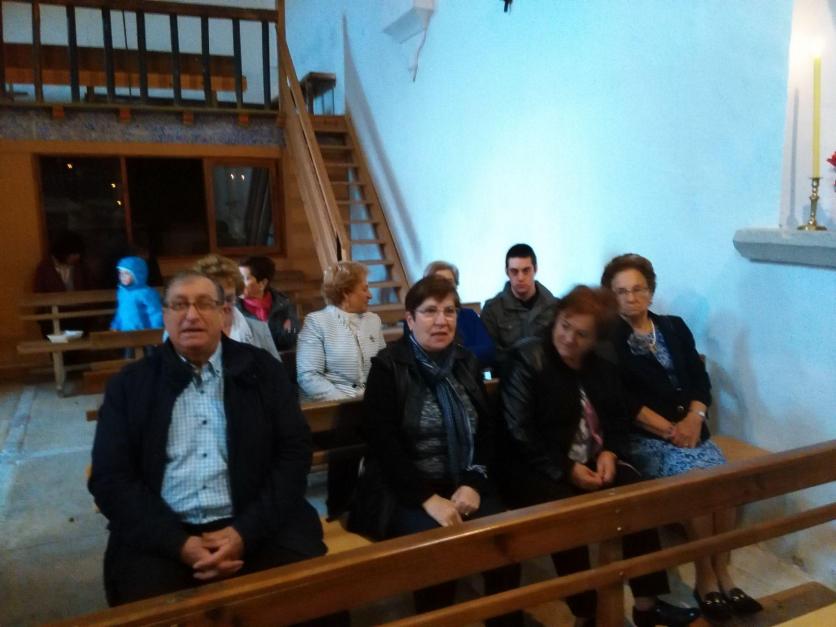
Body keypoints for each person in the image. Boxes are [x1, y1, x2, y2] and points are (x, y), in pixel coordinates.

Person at [89, 270, 325, 606]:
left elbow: (294, 455)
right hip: (162, 533)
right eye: (179, 305)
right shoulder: (130, 384)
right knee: (151, 609)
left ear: (223, 312)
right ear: (165, 314)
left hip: (258, 521)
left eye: (203, 304)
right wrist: (180, 545)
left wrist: (244, 533)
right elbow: (110, 478)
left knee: (312, 599)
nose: (191, 315)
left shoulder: (263, 371)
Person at [499, 286, 700, 627]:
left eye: (581, 334)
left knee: (636, 497)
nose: (568, 338)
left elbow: (617, 418)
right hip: (535, 466)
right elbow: (520, 433)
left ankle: (647, 605)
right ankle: (586, 613)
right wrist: (567, 469)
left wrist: (611, 451)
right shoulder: (528, 359)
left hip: (590, 458)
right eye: (564, 325)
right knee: (568, 516)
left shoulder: (602, 364)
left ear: (595, 339)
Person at [601, 253, 763, 621]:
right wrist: (670, 430)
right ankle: (705, 578)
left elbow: (699, 379)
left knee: (725, 484)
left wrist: (695, 416)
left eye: (638, 289)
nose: (631, 297)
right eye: (622, 291)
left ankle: (723, 572)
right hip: (647, 439)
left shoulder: (673, 327)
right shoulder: (608, 340)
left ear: (650, 291)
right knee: (699, 484)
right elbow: (622, 400)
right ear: (612, 296)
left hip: (691, 430)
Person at [355, 275, 522, 625]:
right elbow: (384, 445)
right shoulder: (388, 367)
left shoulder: (465, 361)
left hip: (463, 481)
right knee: (437, 547)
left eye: (449, 311)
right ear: (410, 319)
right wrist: (427, 499)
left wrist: (474, 482)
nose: (442, 320)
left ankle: (505, 620)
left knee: (504, 539)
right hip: (405, 489)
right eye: (430, 311)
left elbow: (486, 429)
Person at [296, 261, 385, 402]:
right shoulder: (316, 322)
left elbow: (384, 367)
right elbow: (309, 376)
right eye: (364, 289)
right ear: (346, 293)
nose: (370, 295)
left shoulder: (374, 320)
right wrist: (347, 403)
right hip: (333, 406)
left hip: (373, 403)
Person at [481, 243, 558, 369]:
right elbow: (492, 355)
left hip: (548, 374)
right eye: (514, 271)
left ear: (535, 269)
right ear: (507, 272)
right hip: (510, 375)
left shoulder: (555, 307)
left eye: (526, 270)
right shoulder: (492, 310)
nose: (520, 278)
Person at [193, 254, 280, 362]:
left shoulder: (259, 329)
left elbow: (277, 371)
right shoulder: (189, 332)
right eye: (218, 300)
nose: (225, 305)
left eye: (229, 298)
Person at [423, 260, 496, 369]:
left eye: (449, 282)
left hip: (471, 374)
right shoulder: (421, 318)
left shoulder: (469, 316)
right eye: (439, 282)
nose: (445, 287)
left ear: (456, 286)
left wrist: (453, 356)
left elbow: (488, 350)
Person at [237, 255, 299, 351]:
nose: (238, 283)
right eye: (238, 278)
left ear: (263, 283)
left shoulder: (283, 304)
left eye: (245, 279)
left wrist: (289, 331)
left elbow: (290, 341)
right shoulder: (233, 307)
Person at [110, 256, 163, 332]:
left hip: (142, 332)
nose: (122, 276)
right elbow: (121, 312)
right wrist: (115, 325)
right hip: (124, 331)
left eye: (126, 273)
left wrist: (156, 330)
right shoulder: (122, 292)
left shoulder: (146, 293)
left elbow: (155, 313)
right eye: (120, 273)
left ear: (137, 274)